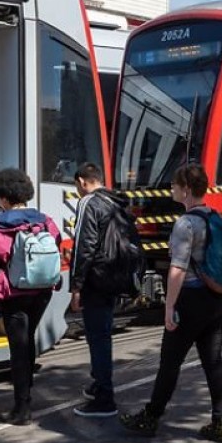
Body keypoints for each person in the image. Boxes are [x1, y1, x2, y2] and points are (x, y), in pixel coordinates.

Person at [120, 164, 222, 441]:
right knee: (213, 361)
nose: (171, 189)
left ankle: (151, 417)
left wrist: (169, 306)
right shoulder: (215, 217)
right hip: (219, 298)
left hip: (192, 300)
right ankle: (220, 423)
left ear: (185, 189)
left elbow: (178, 269)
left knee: (170, 362)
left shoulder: (185, 223)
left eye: (173, 185)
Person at [0, 167, 60, 425]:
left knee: (18, 346)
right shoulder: (45, 221)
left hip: (14, 293)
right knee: (27, 340)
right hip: (43, 290)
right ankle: (26, 392)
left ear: (3, 198)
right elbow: (55, 246)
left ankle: (22, 407)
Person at [70, 162, 132, 418]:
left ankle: (104, 396)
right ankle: (99, 384)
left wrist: (76, 286)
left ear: (83, 182)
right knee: (103, 334)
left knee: (97, 337)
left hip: (96, 279)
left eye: (77, 186)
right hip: (115, 276)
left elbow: (84, 247)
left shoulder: (89, 203)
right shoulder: (115, 201)